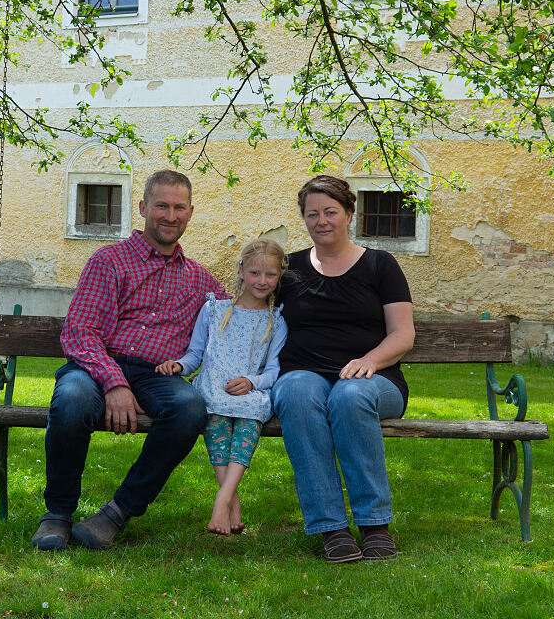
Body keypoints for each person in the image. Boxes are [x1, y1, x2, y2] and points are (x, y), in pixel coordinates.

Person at [32, 169, 225, 551]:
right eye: (161, 206)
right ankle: (57, 514)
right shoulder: (109, 261)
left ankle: (117, 513)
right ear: (142, 208)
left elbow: (241, 315)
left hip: (158, 375)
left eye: (179, 207)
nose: (170, 216)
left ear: (190, 213)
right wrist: (115, 382)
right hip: (96, 365)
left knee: (189, 408)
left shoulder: (202, 281)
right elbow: (80, 333)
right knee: (70, 401)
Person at [272, 174, 415, 563]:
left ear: (349, 213)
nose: (322, 221)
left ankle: (374, 525)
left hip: (376, 379)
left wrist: (370, 361)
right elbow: (252, 312)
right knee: (297, 395)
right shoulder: (289, 269)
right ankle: (331, 528)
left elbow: (402, 335)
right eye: (312, 213)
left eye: (331, 211)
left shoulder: (379, 265)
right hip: (304, 374)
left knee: (349, 397)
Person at [156, 238, 288, 536]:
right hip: (215, 388)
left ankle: (222, 499)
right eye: (255, 273)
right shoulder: (214, 310)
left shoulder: (276, 321)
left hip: (249, 393)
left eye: (270, 275)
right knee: (215, 420)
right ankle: (232, 499)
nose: (262, 281)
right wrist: (179, 365)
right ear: (241, 270)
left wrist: (251, 382)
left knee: (247, 423)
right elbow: (195, 354)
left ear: (279, 277)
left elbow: (273, 371)